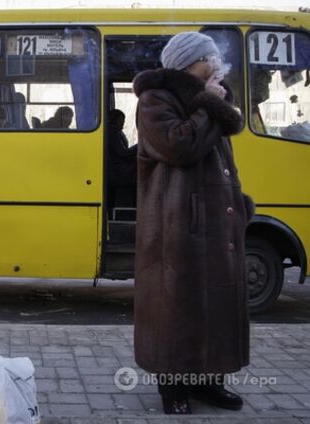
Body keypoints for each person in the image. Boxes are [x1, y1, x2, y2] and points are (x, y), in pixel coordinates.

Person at [132, 32, 253, 414]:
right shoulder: (155, 100)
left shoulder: (208, 100)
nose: (216, 64)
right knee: (177, 307)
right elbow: (178, 146)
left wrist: (239, 204)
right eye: (209, 58)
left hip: (219, 224)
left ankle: (209, 381)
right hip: (176, 226)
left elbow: (220, 162)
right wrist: (210, 106)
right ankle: (174, 388)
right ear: (189, 62)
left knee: (216, 305)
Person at [106, 109, 137, 212]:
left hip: (117, 168)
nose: (123, 122)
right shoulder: (113, 131)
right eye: (121, 120)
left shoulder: (114, 131)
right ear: (115, 119)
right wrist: (139, 146)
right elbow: (122, 153)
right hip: (118, 171)